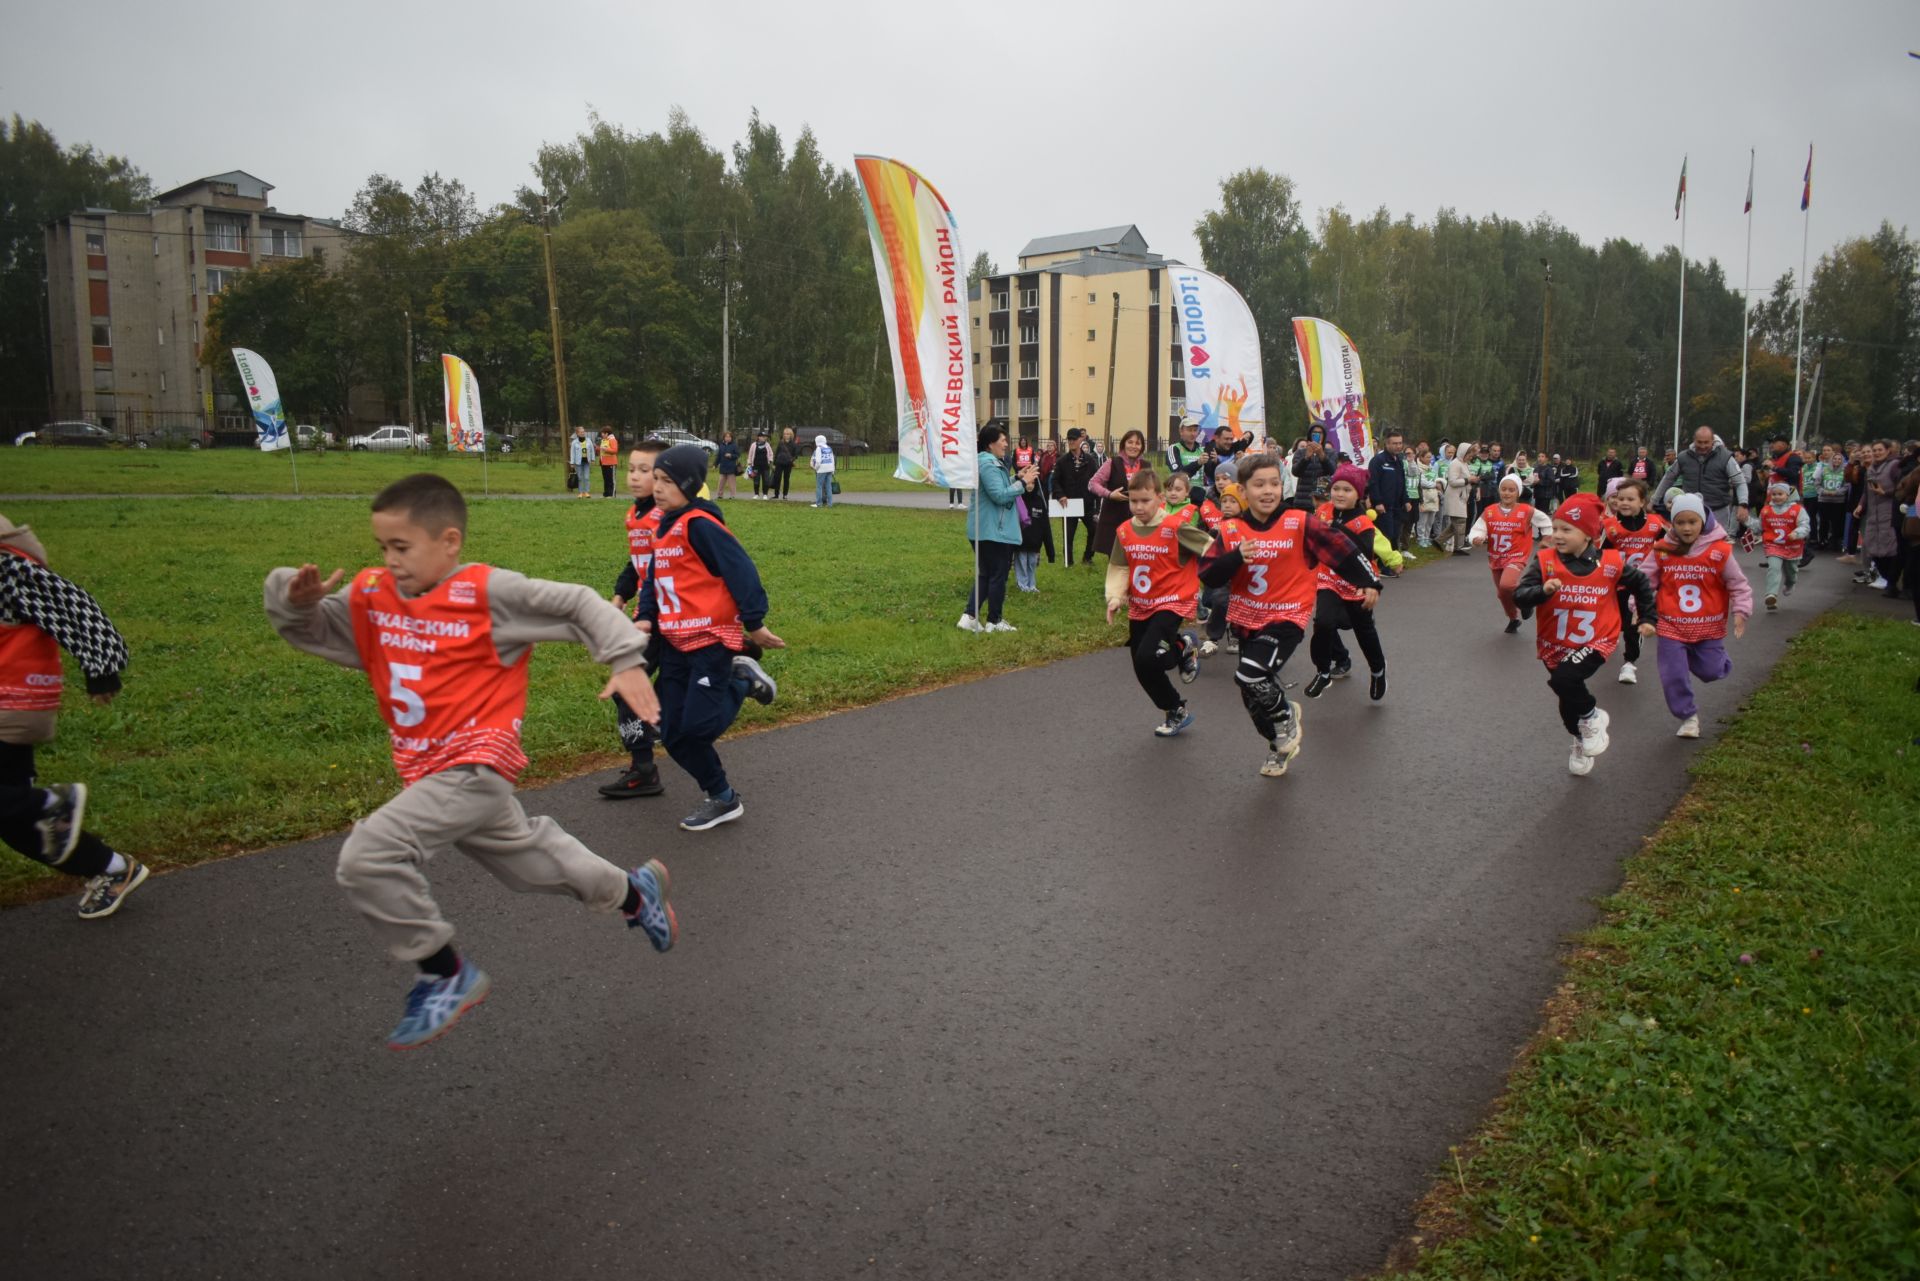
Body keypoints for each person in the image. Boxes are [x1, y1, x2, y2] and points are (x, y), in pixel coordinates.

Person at [263, 474, 678, 1048]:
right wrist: (291, 597)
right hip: (428, 770)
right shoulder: (374, 595)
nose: (389, 560)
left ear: (449, 542)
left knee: (368, 855)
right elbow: (314, 628)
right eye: (382, 547)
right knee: (534, 863)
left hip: (477, 763)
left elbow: (578, 603)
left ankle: (444, 973)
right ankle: (636, 894)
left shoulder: (486, 595)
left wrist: (625, 659)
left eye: (402, 547)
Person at [1198, 454, 1380, 778]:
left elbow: (1342, 550)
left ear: (1282, 486)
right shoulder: (1230, 529)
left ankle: (1286, 715)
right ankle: (1278, 744)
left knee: (1250, 674)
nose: (1268, 491)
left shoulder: (1300, 521)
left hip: (1287, 617)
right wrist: (1236, 558)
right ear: (1243, 490)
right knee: (1252, 693)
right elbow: (1208, 575)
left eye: (1274, 483)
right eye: (1259, 485)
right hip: (1247, 620)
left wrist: (1369, 582)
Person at [634, 446, 783, 831]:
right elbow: (652, 580)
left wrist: (754, 623)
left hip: (709, 641)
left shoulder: (700, 525)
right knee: (672, 735)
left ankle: (739, 681)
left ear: (688, 485)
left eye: (668, 481)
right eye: (658, 480)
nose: (658, 487)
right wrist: (646, 617)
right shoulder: (661, 527)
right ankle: (722, 797)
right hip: (675, 646)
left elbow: (741, 570)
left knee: (698, 727)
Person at [0, 512, 141, 919]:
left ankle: (47, 803)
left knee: (14, 806)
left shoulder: (8, 567)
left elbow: (73, 605)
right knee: (19, 822)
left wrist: (102, 667)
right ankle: (110, 868)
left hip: (12, 705)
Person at [1511, 495, 1658, 775]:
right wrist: (1542, 591)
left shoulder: (1611, 563)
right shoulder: (1545, 561)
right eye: (1555, 529)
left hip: (1597, 639)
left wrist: (1648, 616)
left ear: (1589, 534)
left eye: (1566, 530)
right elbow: (1519, 596)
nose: (1558, 535)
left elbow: (1640, 582)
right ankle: (1579, 738)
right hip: (1555, 643)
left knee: (1565, 679)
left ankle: (1593, 716)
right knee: (1567, 701)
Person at [1106, 468, 1211, 737]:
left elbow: (1210, 547)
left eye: (1145, 501)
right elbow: (1119, 566)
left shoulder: (1175, 527)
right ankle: (1175, 708)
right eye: (1133, 501)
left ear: (1159, 498)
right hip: (1141, 604)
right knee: (1142, 666)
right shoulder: (1125, 531)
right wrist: (1116, 597)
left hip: (1172, 601)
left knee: (1151, 656)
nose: (1138, 507)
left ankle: (1181, 645)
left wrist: (1239, 560)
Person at [1645, 494, 1751, 738]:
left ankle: (1711, 660)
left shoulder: (1719, 551)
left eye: (1692, 522)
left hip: (1708, 624)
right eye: (1680, 522)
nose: (1686, 528)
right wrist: (1637, 608)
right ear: (1672, 523)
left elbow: (1738, 584)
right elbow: (1644, 580)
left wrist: (1741, 611)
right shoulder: (1662, 550)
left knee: (1712, 671)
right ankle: (1687, 716)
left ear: (1702, 522)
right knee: (1673, 674)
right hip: (1671, 624)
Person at [600, 441, 669, 799]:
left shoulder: (663, 516)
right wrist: (619, 596)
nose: (636, 477)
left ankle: (644, 769)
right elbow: (637, 563)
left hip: (661, 616)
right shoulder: (635, 514)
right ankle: (644, 762)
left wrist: (646, 610)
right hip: (646, 613)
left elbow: (665, 571)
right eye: (632, 469)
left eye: (647, 471)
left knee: (628, 686)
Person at [1307, 464, 1400, 701]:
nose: (1339, 493)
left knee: (1364, 631)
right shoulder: (1323, 510)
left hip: (1358, 582)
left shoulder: (1362, 522)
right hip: (1328, 579)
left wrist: (1337, 530)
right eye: (1336, 488)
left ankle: (1378, 671)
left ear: (1358, 494)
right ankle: (1323, 670)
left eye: (1347, 490)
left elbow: (1365, 551)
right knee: (1323, 622)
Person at [960, 423, 1038, 632]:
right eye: (1002, 440)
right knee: (998, 575)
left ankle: (969, 616)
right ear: (990, 443)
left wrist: (1017, 477)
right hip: (992, 530)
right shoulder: (988, 464)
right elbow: (999, 495)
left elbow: (999, 487)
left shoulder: (991, 463)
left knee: (986, 574)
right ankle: (994, 621)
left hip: (987, 529)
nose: (1006, 444)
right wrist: (1023, 484)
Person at [1600, 479, 1667, 684]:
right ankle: (1610, 641)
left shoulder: (1655, 524)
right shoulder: (1610, 526)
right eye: (1620, 499)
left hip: (1641, 585)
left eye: (1630, 499)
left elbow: (1670, 546)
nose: (1625, 503)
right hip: (1617, 583)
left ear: (1642, 502)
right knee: (1615, 622)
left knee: (1632, 625)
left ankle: (1629, 663)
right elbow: (1602, 554)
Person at [1469, 471, 1552, 634]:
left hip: (1516, 556)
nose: (1507, 493)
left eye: (1511, 490)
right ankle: (1513, 618)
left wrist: (1547, 537)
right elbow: (1478, 529)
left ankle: (1526, 601)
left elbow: (1545, 521)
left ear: (1518, 493)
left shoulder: (1526, 511)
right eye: (1504, 489)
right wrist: (1476, 538)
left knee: (1507, 584)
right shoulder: (1490, 511)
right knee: (1502, 593)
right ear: (1499, 491)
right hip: (1496, 557)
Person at [1652, 426, 1749, 532]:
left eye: (1706, 442)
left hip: (1718, 512)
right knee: (1690, 547)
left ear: (1712, 441)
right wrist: (1654, 500)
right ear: (1694, 440)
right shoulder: (1683, 457)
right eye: (1699, 442)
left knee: (1716, 546)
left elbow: (1740, 482)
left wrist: (1743, 504)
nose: (1703, 446)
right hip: (1690, 511)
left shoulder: (1726, 457)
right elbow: (1668, 478)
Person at [1197, 483, 1243, 657]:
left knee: (1241, 606)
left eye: (1233, 501)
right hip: (1224, 574)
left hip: (1244, 575)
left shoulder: (1248, 524)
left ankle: (1236, 636)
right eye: (1224, 502)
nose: (1227, 505)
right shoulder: (1220, 526)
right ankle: (1213, 638)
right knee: (1219, 601)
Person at [1089, 429, 1149, 558]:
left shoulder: (1147, 466)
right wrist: (1110, 494)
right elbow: (1092, 484)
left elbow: (1154, 490)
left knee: (1139, 558)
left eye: (1137, 443)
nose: (1133, 446)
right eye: (1130, 442)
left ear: (1142, 447)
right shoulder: (1112, 463)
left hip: (1140, 518)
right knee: (1117, 560)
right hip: (1114, 518)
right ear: (1123, 444)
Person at [1858, 440, 1904, 594]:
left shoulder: (1895, 466)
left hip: (1889, 512)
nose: (1877, 453)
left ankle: (1891, 583)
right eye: (1875, 450)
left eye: (1879, 450)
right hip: (1873, 514)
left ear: (1888, 450)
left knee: (1890, 549)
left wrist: (1886, 493)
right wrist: (1861, 505)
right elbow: (1866, 491)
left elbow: (1902, 487)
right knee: (1872, 548)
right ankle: (1887, 579)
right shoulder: (1870, 468)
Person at [1757, 478, 1810, 611]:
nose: (1776, 497)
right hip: (1773, 545)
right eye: (1774, 494)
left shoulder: (1798, 510)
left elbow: (1805, 525)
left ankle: (1790, 584)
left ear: (1787, 495)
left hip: (1793, 547)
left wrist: (1797, 533)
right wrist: (1746, 521)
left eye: (1780, 494)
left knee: (1791, 572)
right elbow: (1759, 526)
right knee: (1773, 568)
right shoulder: (1766, 510)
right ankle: (1771, 595)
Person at [1053, 429, 1100, 566]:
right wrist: (1060, 495)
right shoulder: (1062, 461)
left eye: (1074, 439)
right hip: (1069, 504)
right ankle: (1069, 562)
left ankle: (1088, 557)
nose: (1071, 442)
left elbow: (1096, 480)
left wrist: (1097, 503)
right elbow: (1055, 481)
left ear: (1081, 440)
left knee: (1094, 530)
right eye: (1069, 439)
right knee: (1068, 535)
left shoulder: (1090, 460)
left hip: (1087, 504)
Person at [1366, 429, 1411, 553]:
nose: (1398, 446)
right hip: (1384, 507)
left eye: (1400, 443)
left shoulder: (1399, 461)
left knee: (1395, 535)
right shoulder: (1378, 461)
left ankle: (1393, 563)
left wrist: (1406, 500)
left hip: (1397, 506)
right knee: (1386, 535)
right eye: (1395, 443)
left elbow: (1402, 482)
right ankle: (1383, 567)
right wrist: (1378, 502)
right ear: (1387, 444)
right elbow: (1373, 483)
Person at [1439, 442, 1479, 553]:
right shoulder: (1455, 464)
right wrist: (1468, 480)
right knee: (1460, 521)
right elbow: (1452, 481)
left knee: (1456, 523)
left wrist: (1472, 480)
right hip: (1454, 496)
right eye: (1469, 453)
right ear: (1463, 452)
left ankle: (1438, 541)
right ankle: (1458, 547)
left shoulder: (1464, 463)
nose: (1471, 456)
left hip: (1461, 496)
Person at [1166, 415, 1208, 486]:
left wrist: (1215, 462)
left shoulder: (1202, 450)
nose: (1192, 434)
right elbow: (1177, 474)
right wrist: (1198, 463)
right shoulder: (1174, 448)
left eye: (1195, 430)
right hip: (1181, 493)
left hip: (1199, 493)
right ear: (1181, 431)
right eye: (1189, 430)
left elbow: (1209, 475)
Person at [808, 433, 837, 508]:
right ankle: (830, 504)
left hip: (821, 469)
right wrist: (833, 469)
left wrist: (816, 468)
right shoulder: (829, 448)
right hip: (830, 469)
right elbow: (832, 459)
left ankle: (819, 503)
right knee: (828, 486)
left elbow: (818, 461)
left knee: (819, 486)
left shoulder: (819, 448)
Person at [714, 430, 742, 501]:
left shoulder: (734, 445)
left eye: (729, 437)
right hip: (723, 467)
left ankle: (732, 496)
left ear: (731, 438)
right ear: (724, 438)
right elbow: (719, 456)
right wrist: (715, 464)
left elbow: (738, 455)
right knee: (721, 482)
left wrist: (731, 455)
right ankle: (720, 495)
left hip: (731, 467)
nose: (728, 438)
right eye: (726, 437)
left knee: (731, 483)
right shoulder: (721, 445)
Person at [747, 431, 775, 501]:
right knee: (756, 481)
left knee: (766, 480)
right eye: (763, 436)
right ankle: (756, 494)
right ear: (758, 437)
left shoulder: (767, 445)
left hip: (765, 466)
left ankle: (765, 494)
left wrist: (770, 461)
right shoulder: (753, 445)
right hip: (756, 466)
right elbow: (750, 455)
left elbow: (771, 454)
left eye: (765, 437)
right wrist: (749, 463)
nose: (764, 438)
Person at [772, 427, 798, 501]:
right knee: (777, 478)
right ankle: (776, 495)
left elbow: (795, 455)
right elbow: (777, 453)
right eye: (785, 434)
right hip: (779, 463)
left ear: (791, 435)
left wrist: (791, 460)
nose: (786, 435)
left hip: (788, 464)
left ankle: (785, 495)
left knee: (786, 479)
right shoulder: (781, 443)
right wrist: (774, 464)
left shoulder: (794, 444)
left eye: (788, 434)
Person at [569, 426, 593, 498]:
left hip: (586, 462)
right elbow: (572, 453)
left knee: (586, 477)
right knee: (579, 477)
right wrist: (572, 463)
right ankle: (580, 493)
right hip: (578, 462)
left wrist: (592, 459)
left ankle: (586, 492)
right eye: (581, 432)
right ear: (577, 433)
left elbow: (592, 450)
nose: (583, 433)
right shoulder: (574, 442)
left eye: (583, 432)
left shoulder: (589, 440)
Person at [597, 428, 620, 499]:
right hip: (603, 462)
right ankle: (606, 494)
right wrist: (598, 448)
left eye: (603, 433)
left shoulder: (612, 440)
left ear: (607, 433)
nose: (601, 435)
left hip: (611, 463)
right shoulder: (604, 440)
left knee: (611, 480)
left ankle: (612, 494)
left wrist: (605, 449)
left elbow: (615, 450)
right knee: (606, 479)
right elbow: (602, 450)